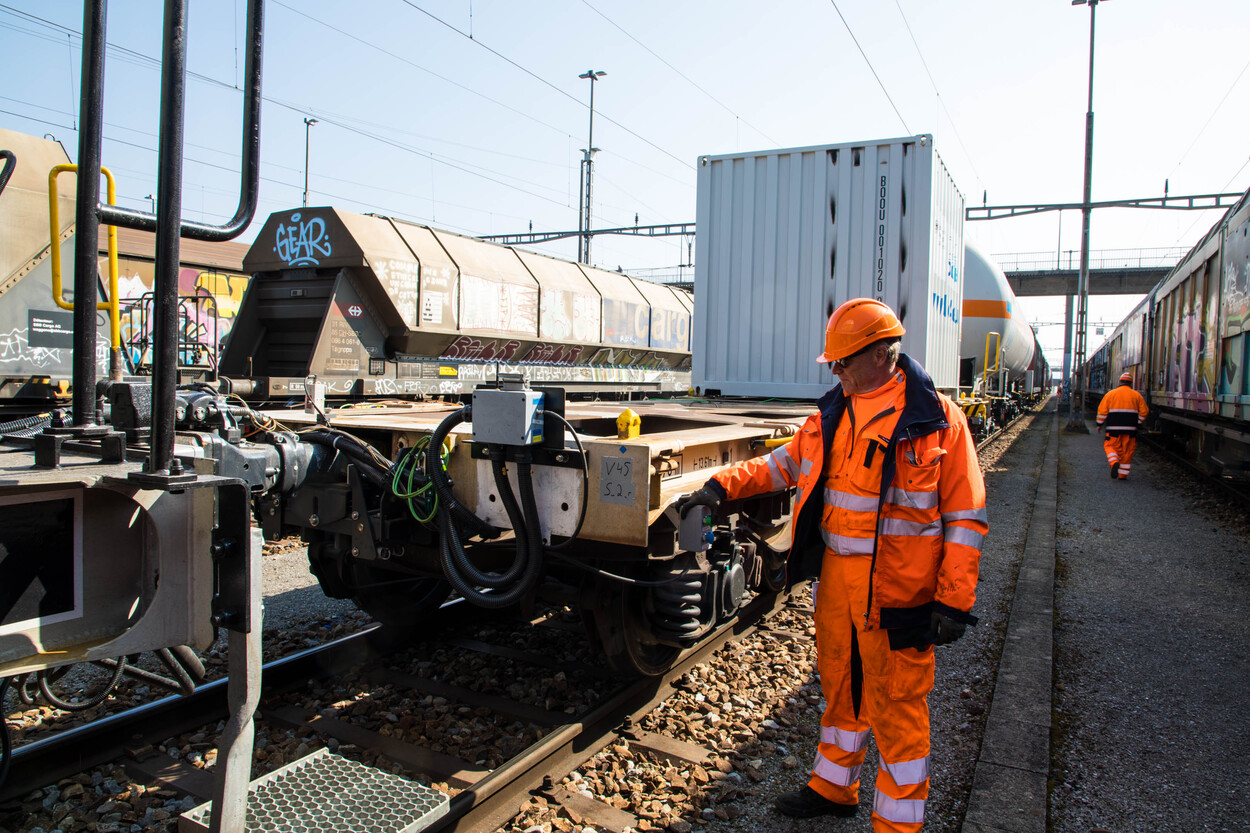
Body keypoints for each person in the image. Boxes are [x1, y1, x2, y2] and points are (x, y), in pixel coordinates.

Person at [677, 298, 987, 833]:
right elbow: (783, 465)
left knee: (897, 707)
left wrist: (954, 598)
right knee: (841, 685)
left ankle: (897, 824)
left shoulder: (937, 421)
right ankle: (834, 787)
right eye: (835, 363)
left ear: (882, 353)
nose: (837, 370)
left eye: (844, 360)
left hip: (899, 594)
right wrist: (720, 486)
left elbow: (966, 518)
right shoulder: (833, 411)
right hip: (840, 583)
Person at [1096, 371, 1149, 479]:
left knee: (1110, 446)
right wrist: (1138, 423)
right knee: (1127, 451)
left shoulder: (1110, 394)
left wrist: (1099, 424)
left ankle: (1114, 462)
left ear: (1120, 382)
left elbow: (1102, 412)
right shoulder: (1137, 395)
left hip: (1113, 430)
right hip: (1130, 431)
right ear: (1131, 383)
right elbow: (1144, 412)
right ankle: (1122, 475)